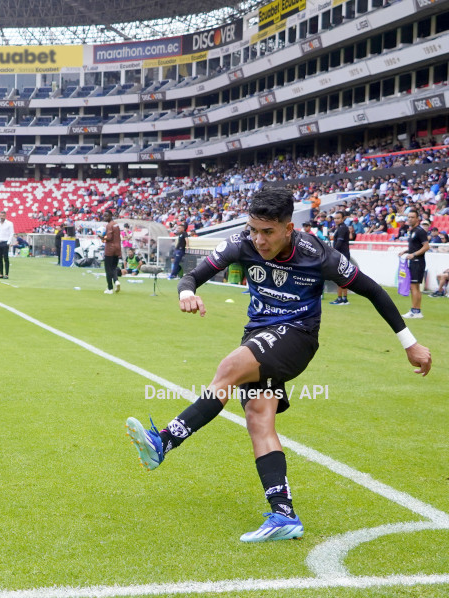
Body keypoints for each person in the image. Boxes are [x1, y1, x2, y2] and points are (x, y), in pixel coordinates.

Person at [125, 188, 431, 543]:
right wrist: (186, 293)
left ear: (289, 228)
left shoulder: (319, 255)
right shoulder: (242, 243)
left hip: (298, 337)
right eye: (254, 229)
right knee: (258, 416)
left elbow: (375, 291)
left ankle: (163, 441)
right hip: (258, 334)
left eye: (267, 232)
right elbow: (192, 276)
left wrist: (410, 344)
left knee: (228, 369)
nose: (259, 239)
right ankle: (284, 515)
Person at [398, 211, 430, 318]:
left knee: (414, 286)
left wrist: (414, 254)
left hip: (418, 262)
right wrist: (406, 251)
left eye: (412, 217)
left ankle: (416, 311)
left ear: (417, 219)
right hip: (413, 261)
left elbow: (426, 246)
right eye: (409, 217)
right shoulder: (412, 231)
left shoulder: (420, 231)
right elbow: (415, 246)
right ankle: (415, 310)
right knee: (413, 286)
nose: (410, 219)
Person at [329, 210, 351, 305]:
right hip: (344, 254)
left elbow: (339, 242)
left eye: (338, 218)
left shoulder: (342, 228)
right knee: (344, 276)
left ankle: (340, 299)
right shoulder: (341, 227)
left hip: (342, 255)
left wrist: (332, 251)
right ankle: (344, 299)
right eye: (335, 218)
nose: (336, 220)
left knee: (339, 277)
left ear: (343, 219)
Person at [102, 210, 121, 294]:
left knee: (108, 269)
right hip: (117, 248)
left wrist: (102, 237)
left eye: (106, 216)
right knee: (114, 267)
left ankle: (110, 288)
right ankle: (116, 281)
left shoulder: (109, 225)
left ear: (110, 216)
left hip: (110, 249)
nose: (104, 217)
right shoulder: (116, 224)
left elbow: (109, 237)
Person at [0, 210, 14, 279]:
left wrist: (8, 242)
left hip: (5, 242)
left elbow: (11, 233)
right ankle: (1, 274)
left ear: (5, 216)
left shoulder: (9, 223)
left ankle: (6, 274)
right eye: (1, 215)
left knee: (6, 258)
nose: (2, 217)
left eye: (3, 215)